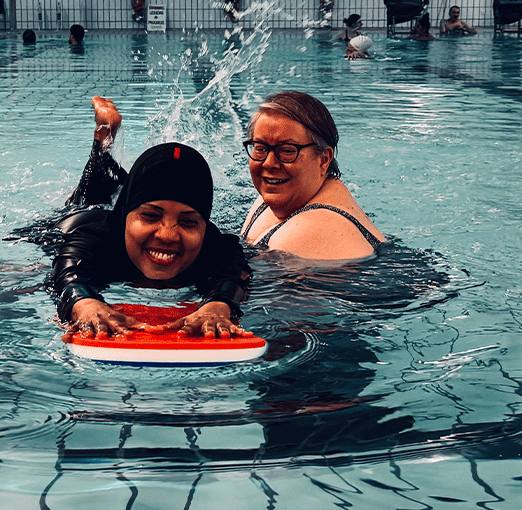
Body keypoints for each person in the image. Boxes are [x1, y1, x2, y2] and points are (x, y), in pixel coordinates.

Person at [50, 97, 250, 338]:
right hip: (76, 218)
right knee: (90, 192)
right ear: (126, 216)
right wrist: (82, 303)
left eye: (187, 221)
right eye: (150, 216)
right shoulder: (93, 239)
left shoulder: (214, 246)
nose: (167, 234)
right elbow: (67, 271)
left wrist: (220, 305)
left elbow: (235, 273)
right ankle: (103, 139)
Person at [240, 91, 385, 261]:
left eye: (287, 151)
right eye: (260, 148)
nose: (269, 163)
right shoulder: (284, 197)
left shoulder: (314, 231)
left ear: (324, 160)